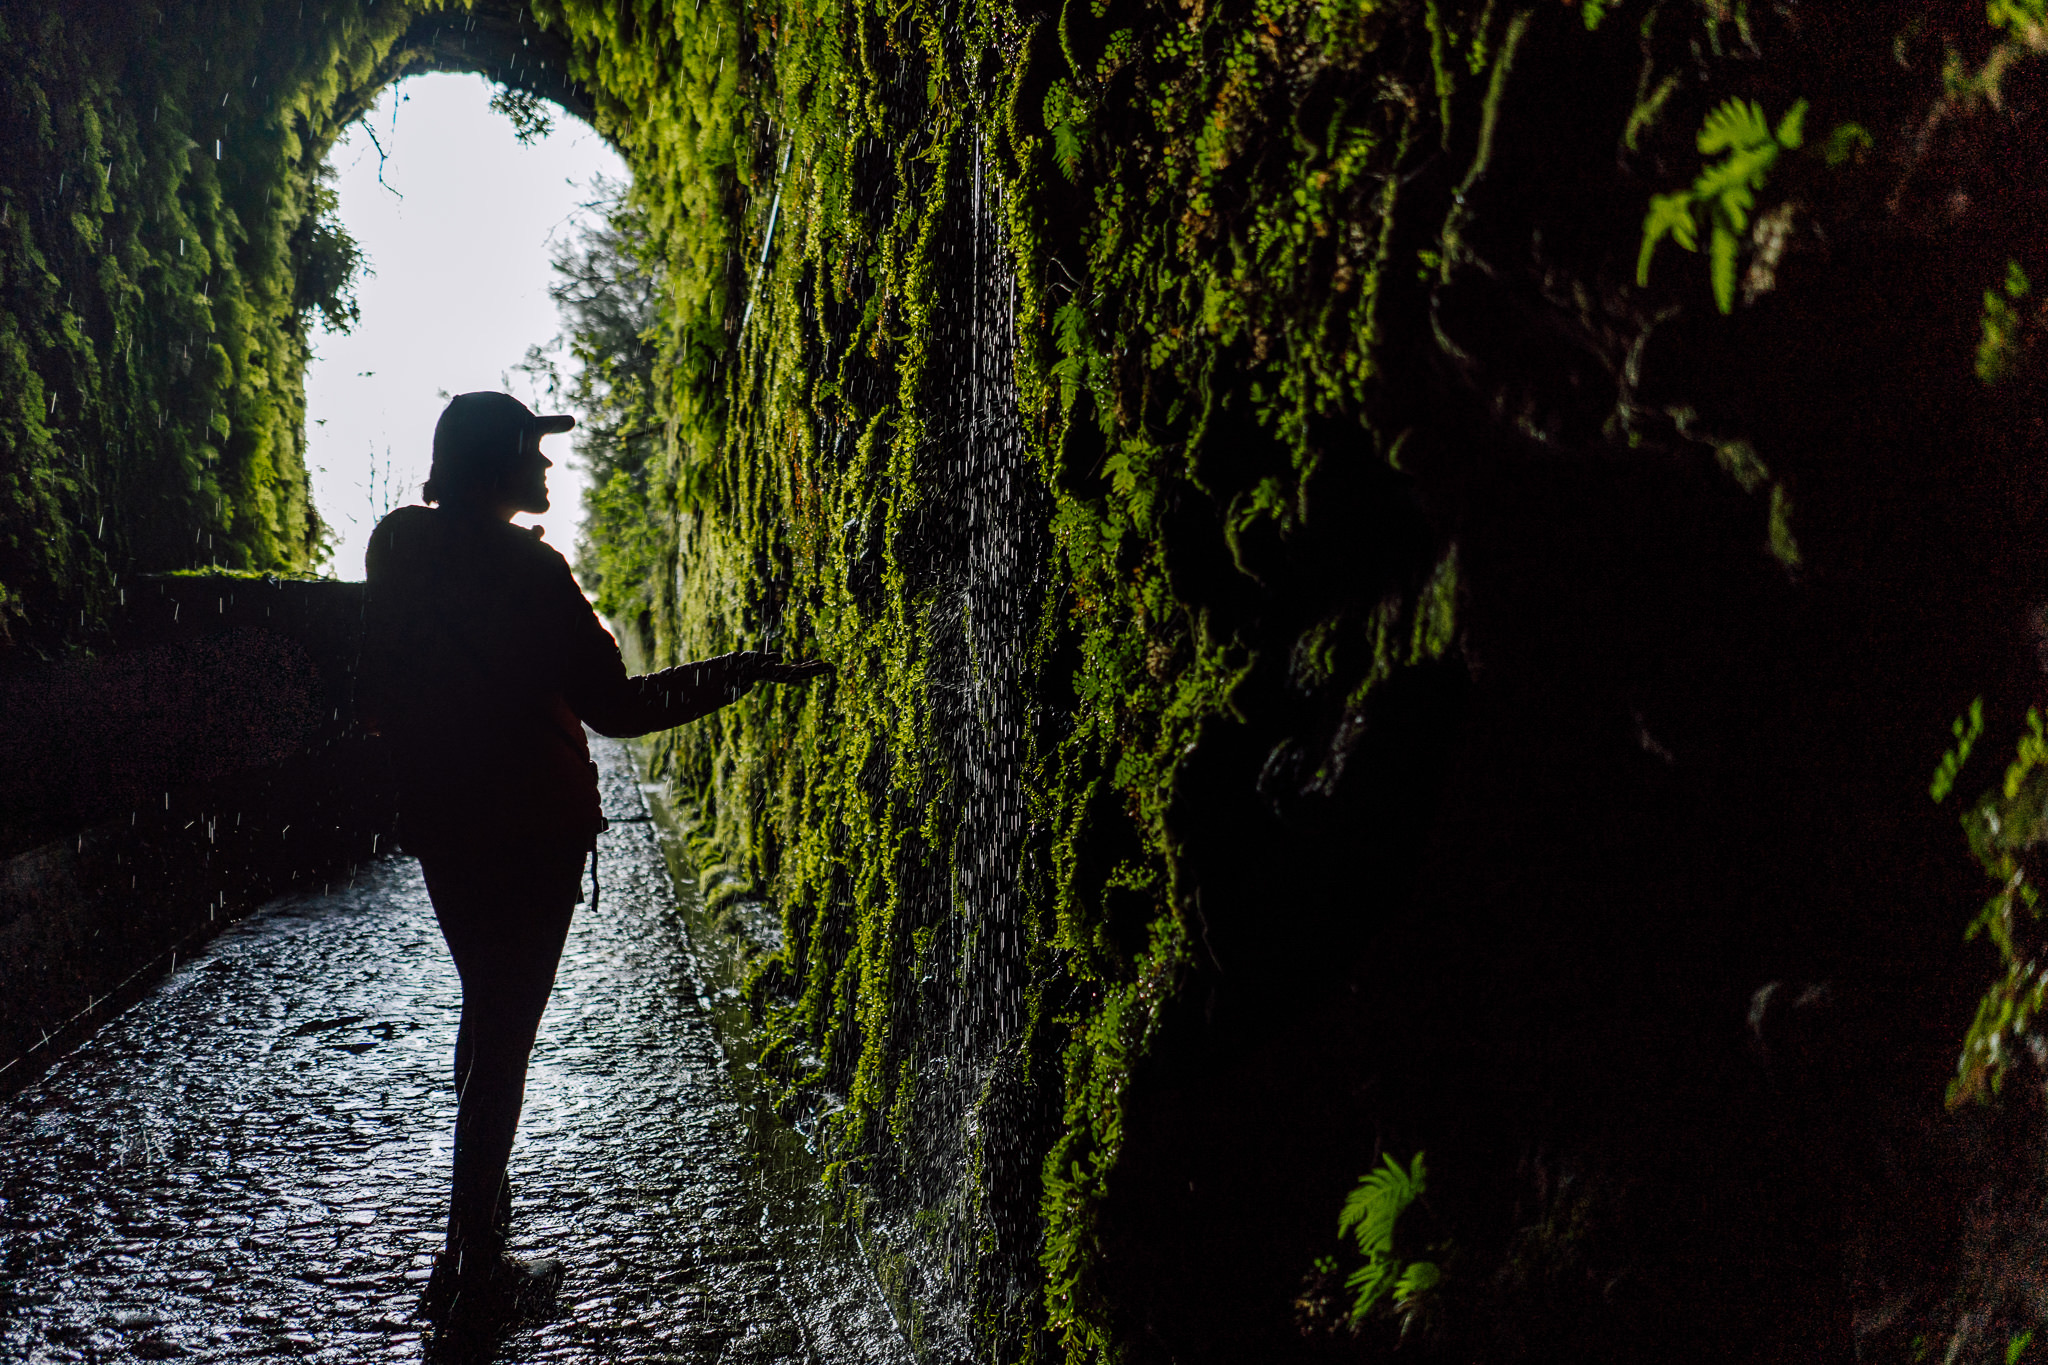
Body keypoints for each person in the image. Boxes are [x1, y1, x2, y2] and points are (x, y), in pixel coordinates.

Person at [357, 391, 828, 1333]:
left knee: (486, 1016)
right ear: (494, 462)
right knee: (505, 1035)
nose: (547, 467)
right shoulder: (532, 572)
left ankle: (472, 1246)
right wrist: (736, 671)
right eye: (532, 450)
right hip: (532, 832)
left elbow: (381, 678)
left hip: (448, 825)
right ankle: (472, 1268)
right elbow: (617, 708)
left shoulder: (397, 548)